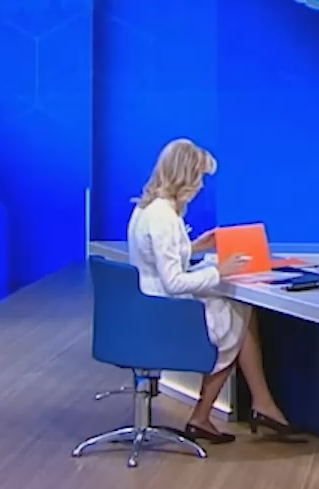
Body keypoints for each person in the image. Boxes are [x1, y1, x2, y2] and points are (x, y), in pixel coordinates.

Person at [127, 138, 298, 444]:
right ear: (185, 175)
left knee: (239, 312)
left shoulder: (147, 209)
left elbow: (158, 257)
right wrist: (220, 270)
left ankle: (250, 406)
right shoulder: (164, 217)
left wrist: (196, 247)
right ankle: (231, 410)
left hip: (149, 306)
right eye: (199, 177)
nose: (201, 185)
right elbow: (173, 282)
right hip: (165, 313)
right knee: (235, 318)